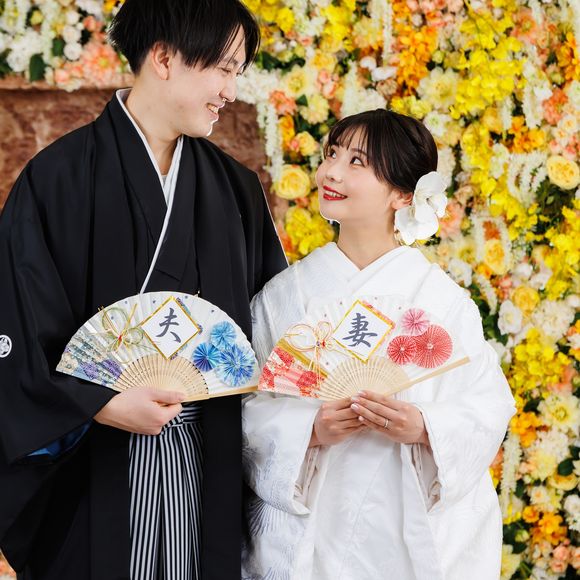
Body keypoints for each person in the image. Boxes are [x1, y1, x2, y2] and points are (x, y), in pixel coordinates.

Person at [0, 1, 287, 579]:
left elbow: (265, 336)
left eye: (237, 72)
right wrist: (99, 403)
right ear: (163, 57)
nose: (231, 90)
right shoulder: (57, 179)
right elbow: (17, 331)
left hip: (207, 462)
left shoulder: (236, 190)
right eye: (223, 68)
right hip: (91, 464)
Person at [242, 109, 515, 580]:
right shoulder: (284, 295)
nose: (331, 172)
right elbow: (246, 402)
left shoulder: (442, 300)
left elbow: (488, 406)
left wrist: (426, 426)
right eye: (332, 154)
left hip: (402, 523)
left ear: (404, 195)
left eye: (356, 162)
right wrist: (308, 430)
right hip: (312, 525)